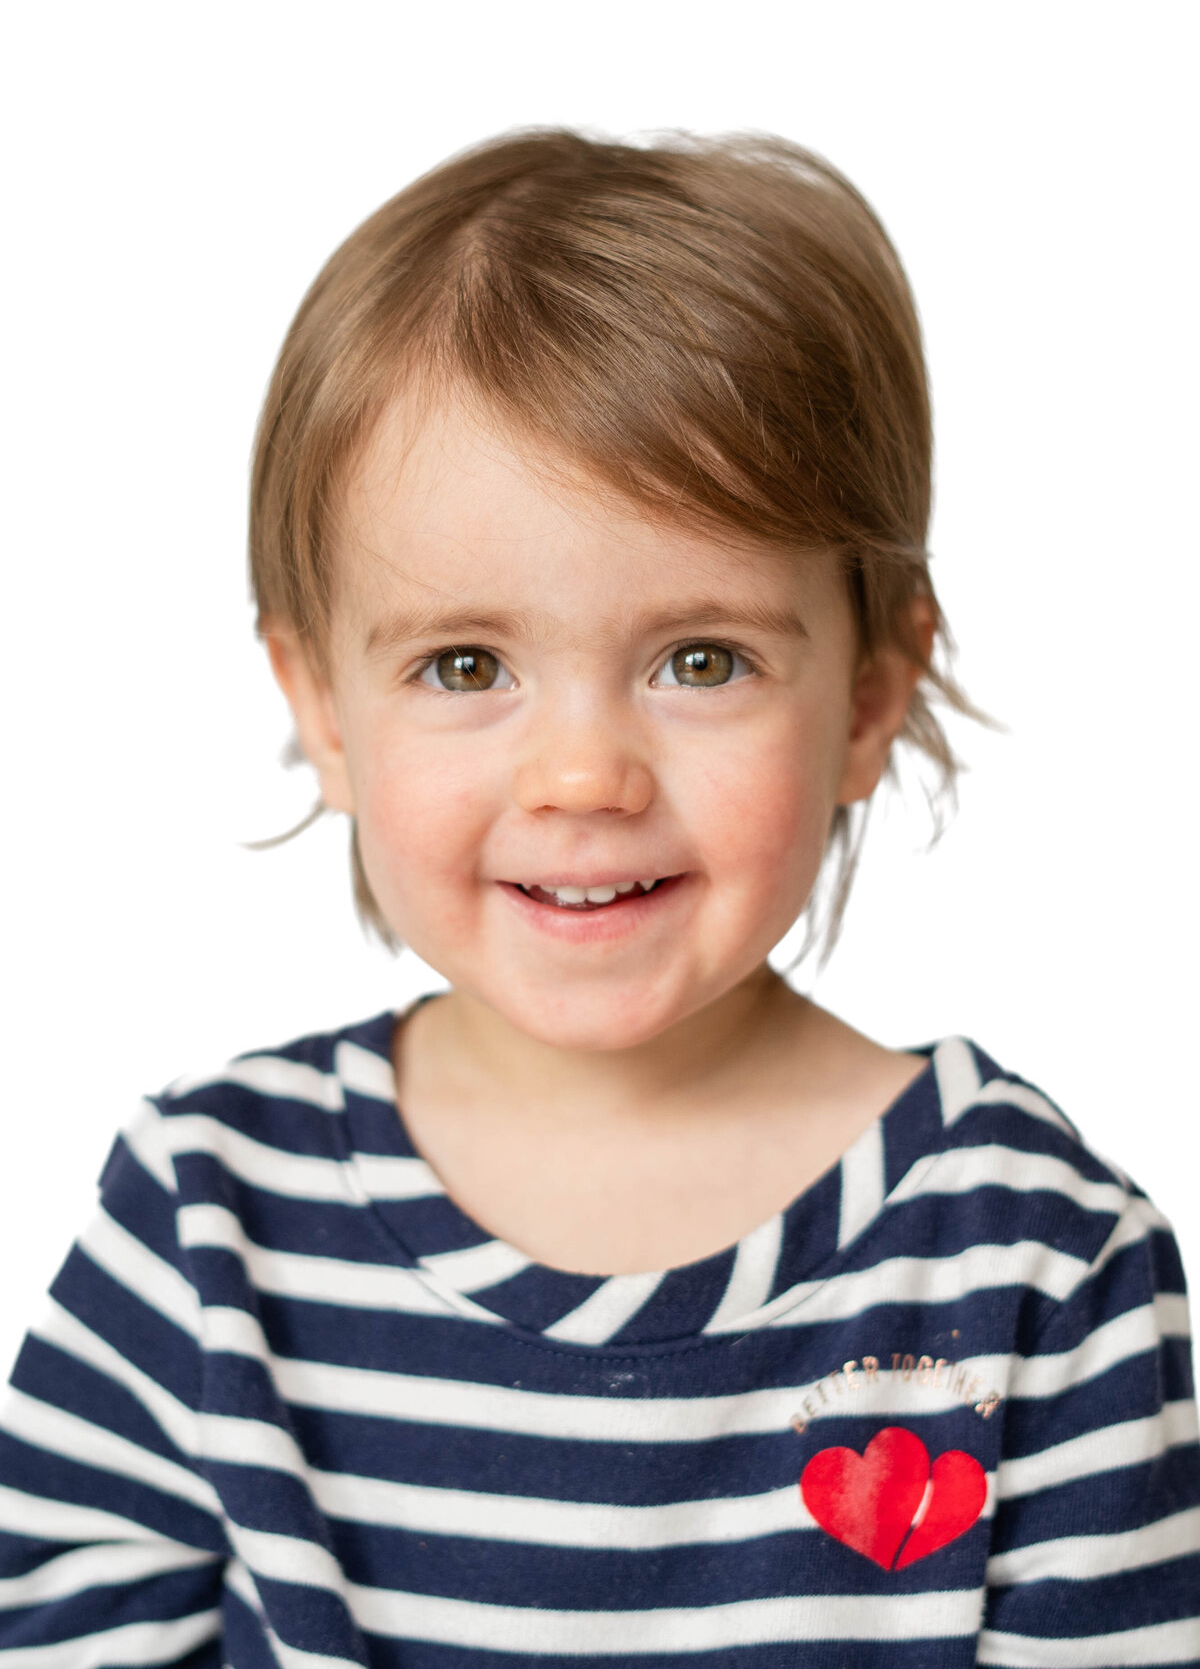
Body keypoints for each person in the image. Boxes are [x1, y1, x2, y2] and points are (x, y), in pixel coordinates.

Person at [0, 129, 1196, 1668]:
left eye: (701, 660)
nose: (582, 776)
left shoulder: (1031, 1259)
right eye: (465, 665)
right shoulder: (208, 1217)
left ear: (869, 694)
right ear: (320, 704)